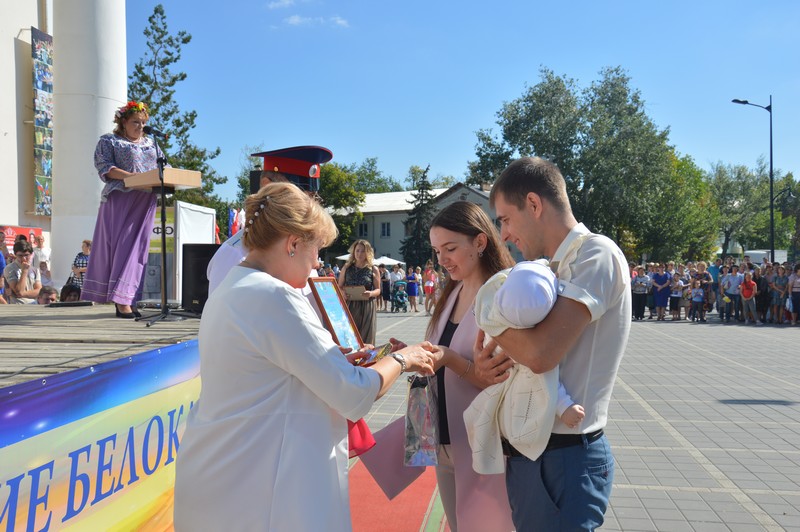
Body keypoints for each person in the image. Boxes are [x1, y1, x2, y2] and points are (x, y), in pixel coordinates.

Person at [173, 182, 440, 531]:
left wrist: (333, 362)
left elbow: (274, 372)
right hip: (260, 492)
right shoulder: (275, 295)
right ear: (293, 243)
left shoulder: (233, 287)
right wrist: (403, 359)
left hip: (228, 478)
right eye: (317, 251)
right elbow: (352, 393)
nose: (317, 263)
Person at [476, 157, 630, 531]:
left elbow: (540, 354)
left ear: (534, 204)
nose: (503, 235)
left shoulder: (595, 253)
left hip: (564, 456)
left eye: (505, 219)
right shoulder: (549, 267)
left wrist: (489, 315)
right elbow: (525, 354)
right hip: (540, 457)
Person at [465, 259, 586, 476]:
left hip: (506, 389)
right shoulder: (525, 344)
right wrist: (564, 406)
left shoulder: (491, 317)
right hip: (514, 390)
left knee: (485, 417)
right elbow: (546, 379)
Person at [206, 145, 334, 295]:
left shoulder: (302, 249)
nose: (307, 205)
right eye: (298, 195)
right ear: (267, 186)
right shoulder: (234, 254)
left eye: (312, 197)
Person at [81, 101, 158, 318]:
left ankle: (130, 298)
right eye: (135, 122)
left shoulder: (151, 144)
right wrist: (132, 177)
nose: (140, 127)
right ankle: (120, 301)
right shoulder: (110, 141)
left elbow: (163, 167)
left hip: (146, 199)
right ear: (123, 122)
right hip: (120, 198)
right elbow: (105, 167)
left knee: (138, 250)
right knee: (122, 248)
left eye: (143, 123)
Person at [338, 239, 380, 345]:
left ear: (368, 252)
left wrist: (371, 293)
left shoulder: (373, 269)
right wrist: (343, 293)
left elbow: (378, 290)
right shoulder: (347, 268)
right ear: (353, 252)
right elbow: (339, 286)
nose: (359, 253)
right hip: (350, 303)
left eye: (363, 251)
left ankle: (366, 355)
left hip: (367, 304)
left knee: (366, 336)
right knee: (350, 334)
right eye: (357, 250)